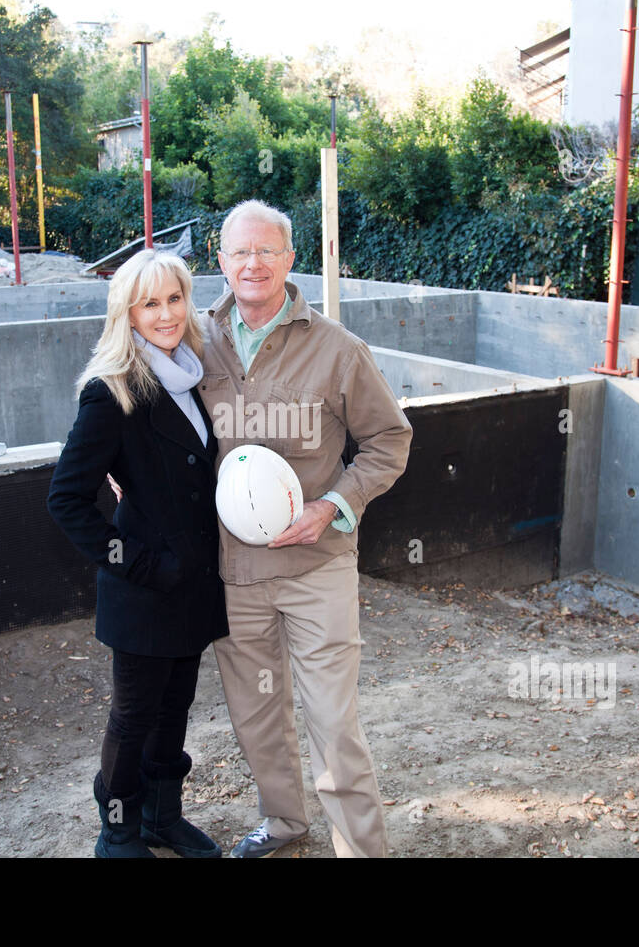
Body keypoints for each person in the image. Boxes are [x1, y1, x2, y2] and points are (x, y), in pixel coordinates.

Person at [197, 199, 413, 858]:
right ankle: (285, 824)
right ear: (221, 259)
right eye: (240, 251)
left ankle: (361, 849)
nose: (253, 263)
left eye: (267, 250)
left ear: (291, 259)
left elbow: (389, 440)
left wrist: (331, 506)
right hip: (234, 573)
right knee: (257, 715)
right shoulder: (193, 341)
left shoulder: (338, 350)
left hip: (317, 567)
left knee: (332, 722)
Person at [46, 248, 227, 858]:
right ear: (127, 313)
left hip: (195, 585)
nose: (165, 313)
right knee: (133, 719)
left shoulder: (188, 374)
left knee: (174, 708)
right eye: (149, 303)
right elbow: (67, 500)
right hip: (146, 591)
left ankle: (160, 816)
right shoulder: (112, 391)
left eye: (174, 298)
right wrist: (141, 564)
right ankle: (117, 830)